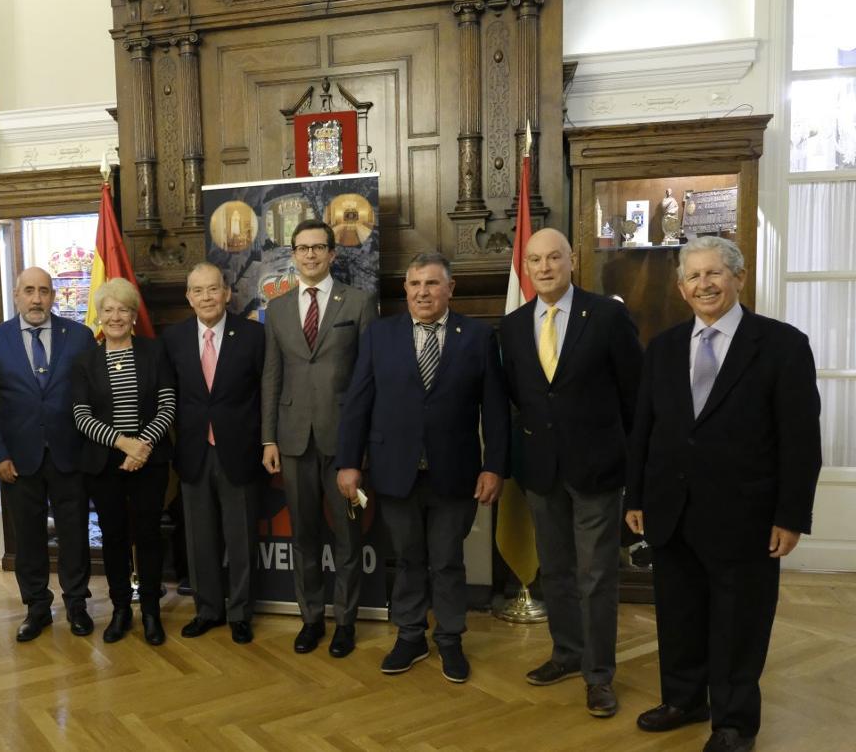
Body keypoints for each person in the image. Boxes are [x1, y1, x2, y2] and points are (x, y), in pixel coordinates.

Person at [626, 236, 822, 752]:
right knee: (680, 614)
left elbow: (801, 440)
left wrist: (791, 515)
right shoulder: (664, 346)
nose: (704, 284)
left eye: (714, 273)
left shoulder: (782, 345)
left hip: (747, 516)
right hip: (672, 509)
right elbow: (645, 429)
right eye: (693, 276)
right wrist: (636, 498)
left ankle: (734, 722)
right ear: (682, 287)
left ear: (739, 277)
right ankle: (684, 701)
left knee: (739, 623)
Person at [336, 253, 509, 678]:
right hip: (396, 471)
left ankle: (450, 639)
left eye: (432, 284)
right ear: (405, 290)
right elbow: (358, 403)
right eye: (414, 284)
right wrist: (348, 463)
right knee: (409, 557)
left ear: (450, 289)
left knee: (447, 559)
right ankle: (410, 635)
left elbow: (497, 409)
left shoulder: (478, 336)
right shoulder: (380, 335)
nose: (422, 292)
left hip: (456, 471)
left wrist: (494, 467)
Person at [499, 228, 642, 717]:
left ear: (572, 260)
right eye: (535, 259)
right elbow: (522, 397)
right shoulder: (514, 326)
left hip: (598, 470)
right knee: (555, 569)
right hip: (541, 470)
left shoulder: (607, 316)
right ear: (527, 267)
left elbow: (634, 397)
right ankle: (566, 653)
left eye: (554, 258)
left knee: (597, 574)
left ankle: (599, 675)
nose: (544, 267)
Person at [261, 218, 378, 658]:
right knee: (304, 536)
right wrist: (267, 439)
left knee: (348, 538)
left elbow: (368, 380)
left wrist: (363, 443)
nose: (310, 255)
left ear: (332, 253)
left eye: (318, 247)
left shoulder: (360, 303)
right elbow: (271, 378)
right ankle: (311, 618)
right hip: (292, 441)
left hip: (343, 442)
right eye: (302, 248)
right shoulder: (276, 309)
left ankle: (345, 622)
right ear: (293, 255)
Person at [0, 267, 96, 643]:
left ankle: (77, 604)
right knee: (28, 538)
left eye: (44, 291)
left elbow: (96, 396)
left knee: (74, 533)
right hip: (18, 458)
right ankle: (37, 607)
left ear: (54, 296)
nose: (36, 299)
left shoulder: (79, 336)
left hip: (70, 455)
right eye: (29, 291)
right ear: (16, 295)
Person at [163, 262, 265, 645]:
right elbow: (167, 397)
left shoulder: (254, 336)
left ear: (226, 293)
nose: (206, 297)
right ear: (188, 297)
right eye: (198, 291)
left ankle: (240, 612)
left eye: (212, 289)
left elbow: (265, 394)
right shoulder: (172, 340)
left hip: (239, 451)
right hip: (192, 453)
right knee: (200, 540)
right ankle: (208, 610)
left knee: (241, 540)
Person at [71, 278, 176, 646]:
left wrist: (142, 446)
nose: (116, 316)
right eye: (109, 310)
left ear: (134, 315)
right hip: (104, 465)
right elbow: (81, 416)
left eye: (124, 309)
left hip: (150, 461)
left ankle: (150, 611)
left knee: (148, 535)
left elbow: (167, 405)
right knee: (113, 538)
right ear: (99, 316)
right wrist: (123, 444)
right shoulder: (85, 360)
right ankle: (120, 610)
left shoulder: (154, 352)